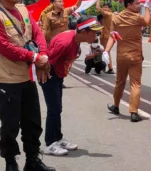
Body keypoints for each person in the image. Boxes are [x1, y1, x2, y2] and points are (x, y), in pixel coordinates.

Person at [0, 0, 56, 171]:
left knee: (33, 121)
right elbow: (4, 47)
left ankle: (32, 160)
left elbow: (38, 33)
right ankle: (10, 161)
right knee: (10, 123)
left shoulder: (24, 9)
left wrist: (42, 55)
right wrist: (35, 57)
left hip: (27, 76)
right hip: (7, 78)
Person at [41, 15, 104, 156]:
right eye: (93, 32)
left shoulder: (76, 39)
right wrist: (47, 77)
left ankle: (57, 138)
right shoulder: (65, 43)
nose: (96, 35)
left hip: (57, 75)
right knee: (54, 109)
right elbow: (47, 61)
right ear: (83, 32)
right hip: (49, 75)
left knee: (57, 109)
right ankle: (49, 143)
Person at [102, 0, 151, 122]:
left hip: (121, 56)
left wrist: (106, 51)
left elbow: (113, 37)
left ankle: (116, 106)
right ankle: (134, 112)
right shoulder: (137, 18)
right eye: (137, 3)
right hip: (135, 56)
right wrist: (147, 8)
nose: (139, 5)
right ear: (129, 5)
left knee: (120, 82)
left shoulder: (116, 18)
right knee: (135, 84)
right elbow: (147, 21)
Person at [96, 0, 116, 74]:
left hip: (106, 36)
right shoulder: (112, 15)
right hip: (108, 35)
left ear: (110, 8)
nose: (104, 8)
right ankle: (104, 66)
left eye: (106, 7)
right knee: (105, 52)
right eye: (104, 7)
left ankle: (110, 68)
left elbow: (98, 8)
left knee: (106, 52)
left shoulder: (108, 14)